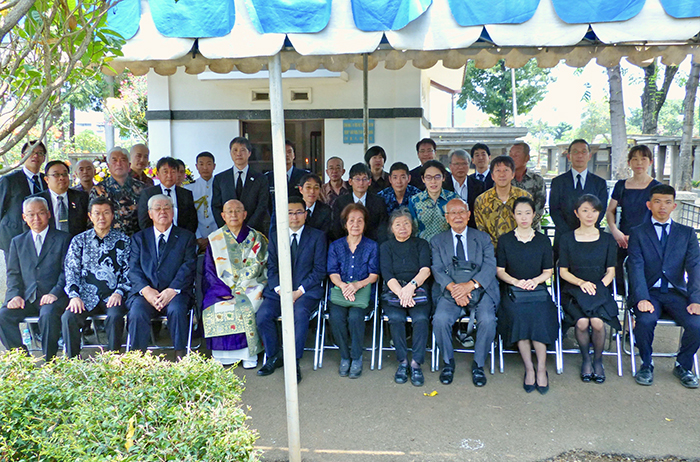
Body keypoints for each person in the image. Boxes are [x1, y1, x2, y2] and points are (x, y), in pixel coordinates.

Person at [628, 185, 700, 388]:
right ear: (649, 205)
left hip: (676, 292)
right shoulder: (638, 233)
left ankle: (683, 365)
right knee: (644, 321)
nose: (662, 206)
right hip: (649, 292)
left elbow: (695, 268)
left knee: (697, 324)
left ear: (674, 206)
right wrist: (641, 297)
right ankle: (646, 363)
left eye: (668, 202)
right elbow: (635, 268)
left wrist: (696, 300)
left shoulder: (687, 234)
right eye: (658, 201)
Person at [257, 196, 327, 383]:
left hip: (306, 291)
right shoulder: (276, 235)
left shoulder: (318, 236)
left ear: (305, 214)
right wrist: (281, 290)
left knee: (299, 314)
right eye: (289, 213)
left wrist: (299, 291)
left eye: (298, 212)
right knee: (263, 315)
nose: (294, 217)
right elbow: (271, 268)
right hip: (279, 291)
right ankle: (273, 356)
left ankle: (293, 361)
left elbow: (320, 270)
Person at [431, 198, 498, 387]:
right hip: (450, 292)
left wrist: (470, 286)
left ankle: (478, 365)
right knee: (440, 320)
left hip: (480, 289)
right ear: (446, 218)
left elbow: (490, 266)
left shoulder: (483, 238)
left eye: (461, 212)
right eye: (453, 213)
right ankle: (448, 363)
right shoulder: (437, 241)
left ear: (469, 215)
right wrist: (455, 290)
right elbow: (436, 268)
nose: (457, 216)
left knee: (488, 320)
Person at [496, 197, 557, 394]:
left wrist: (535, 281)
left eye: (527, 213)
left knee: (540, 315)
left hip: (537, 289)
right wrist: (516, 282)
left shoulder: (543, 240)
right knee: (519, 314)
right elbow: (500, 270)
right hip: (513, 290)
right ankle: (529, 369)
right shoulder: (505, 240)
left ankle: (541, 368)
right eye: (519, 213)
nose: (523, 217)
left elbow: (548, 271)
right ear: (513, 215)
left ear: (534, 215)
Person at [0, 197, 71, 360]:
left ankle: (49, 360)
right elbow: (13, 274)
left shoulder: (63, 239)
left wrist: (54, 293)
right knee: (3, 316)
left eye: (40, 213)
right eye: (30, 215)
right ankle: (23, 359)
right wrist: (15, 295)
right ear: (24, 217)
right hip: (27, 297)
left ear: (48, 214)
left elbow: (66, 272)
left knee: (48, 314)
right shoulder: (17, 242)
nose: (36, 219)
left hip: (54, 297)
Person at [127, 194, 197, 358]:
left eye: (167, 208)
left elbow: (189, 266)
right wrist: (146, 290)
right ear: (150, 214)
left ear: (173, 212)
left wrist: (172, 289)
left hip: (176, 292)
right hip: (147, 292)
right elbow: (133, 268)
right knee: (137, 311)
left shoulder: (186, 237)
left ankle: (181, 356)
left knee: (177, 309)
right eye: (157, 208)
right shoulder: (139, 238)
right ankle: (137, 358)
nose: (162, 212)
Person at [558, 194, 618, 384]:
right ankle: (585, 359)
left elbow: (610, 272)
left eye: (594, 210)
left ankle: (598, 361)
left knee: (598, 323)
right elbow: (563, 272)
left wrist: (598, 288)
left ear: (599, 213)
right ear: (577, 213)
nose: (589, 215)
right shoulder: (567, 239)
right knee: (583, 322)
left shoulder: (608, 240)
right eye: (585, 210)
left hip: (600, 290)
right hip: (574, 290)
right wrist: (581, 284)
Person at [61, 197, 130, 358]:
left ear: (113, 215)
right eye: (97, 213)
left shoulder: (124, 240)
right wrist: (74, 296)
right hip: (85, 296)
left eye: (106, 213)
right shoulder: (79, 241)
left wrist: (119, 292)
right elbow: (71, 271)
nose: (101, 217)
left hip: (113, 295)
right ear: (90, 216)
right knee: (68, 317)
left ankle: (113, 360)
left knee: (115, 316)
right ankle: (72, 361)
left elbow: (129, 271)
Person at [202, 199, 268, 368]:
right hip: (221, 287)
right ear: (223, 216)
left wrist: (241, 286)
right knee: (216, 306)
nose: (233, 214)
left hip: (251, 285)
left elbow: (258, 263)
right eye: (229, 211)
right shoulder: (215, 239)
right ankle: (222, 355)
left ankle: (248, 355)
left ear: (245, 214)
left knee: (247, 305)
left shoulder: (256, 237)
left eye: (238, 211)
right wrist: (222, 289)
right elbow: (209, 269)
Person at [379, 208, 431, 386]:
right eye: (398, 224)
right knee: (395, 318)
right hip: (395, 290)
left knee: (421, 318)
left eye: (406, 223)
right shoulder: (386, 247)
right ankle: (402, 362)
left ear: (413, 226)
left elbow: (425, 269)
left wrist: (410, 288)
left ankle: (416, 363)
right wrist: (401, 293)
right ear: (391, 228)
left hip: (417, 288)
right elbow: (386, 273)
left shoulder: (421, 244)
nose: (402, 227)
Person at [327, 203, 379, 378]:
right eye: (351, 220)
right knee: (336, 316)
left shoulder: (372, 246)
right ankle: (345, 357)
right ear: (345, 224)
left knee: (356, 317)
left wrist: (357, 285)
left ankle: (356, 357)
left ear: (365, 224)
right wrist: (343, 286)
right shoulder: (335, 246)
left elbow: (374, 275)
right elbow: (332, 272)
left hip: (363, 293)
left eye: (360, 220)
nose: (355, 224)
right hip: (341, 291)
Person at [605, 145, 661, 293]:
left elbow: (660, 216)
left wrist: (637, 237)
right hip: (621, 239)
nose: (639, 163)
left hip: (646, 240)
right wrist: (615, 231)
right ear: (629, 163)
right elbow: (610, 211)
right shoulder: (621, 185)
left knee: (642, 280)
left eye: (643, 159)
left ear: (650, 162)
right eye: (634, 159)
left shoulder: (657, 188)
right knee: (619, 279)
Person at [549, 139, 608, 259]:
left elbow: (601, 210)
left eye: (583, 151)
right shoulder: (558, 182)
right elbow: (554, 210)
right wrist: (570, 235)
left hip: (591, 236)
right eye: (575, 152)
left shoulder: (599, 183)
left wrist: (585, 230)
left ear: (589, 156)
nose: (580, 155)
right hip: (564, 237)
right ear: (569, 156)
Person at [211, 136, 269, 234]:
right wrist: (228, 227)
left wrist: (247, 229)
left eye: (242, 150)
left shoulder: (260, 178)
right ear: (230, 153)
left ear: (249, 153)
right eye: (235, 150)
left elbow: (262, 206)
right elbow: (216, 206)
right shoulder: (220, 178)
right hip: (227, 232)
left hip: (253, 232)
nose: (238, 153)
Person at [474, 155, 532, 249]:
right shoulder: (481, 200)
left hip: (521, 249)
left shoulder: (524, 197)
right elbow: (481, 230)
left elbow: (530, 224)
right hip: (492, 252)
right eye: (498, 171)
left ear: (513, 174)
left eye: (506, 170)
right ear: (492, 176)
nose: (502, 174)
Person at [0, 140, 47, 254]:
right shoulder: (8, 180)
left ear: (44, 158)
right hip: (14, 238)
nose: (35, 156)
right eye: (30, 152)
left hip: (43, 239)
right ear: (22, 156)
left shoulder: (47, 180)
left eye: (40, 153)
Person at [90, 146, 144, 236]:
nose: (119, 164)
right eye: (114, 160)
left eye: (123, 160)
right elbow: (92, 220)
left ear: (129, 165)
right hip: (108, 242)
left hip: (136, 241)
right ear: (108, 165)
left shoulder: (141, 188)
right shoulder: (98, 189)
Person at [138, 157, 198, 234]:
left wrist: (184, 238)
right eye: (165, 172)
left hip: (181, 240)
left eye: (173, 172)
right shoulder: (148, 194)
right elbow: (143, 221)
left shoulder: (186, 194)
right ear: (158, 174)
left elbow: (192, 221)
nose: (169, 175)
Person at [29, 160, 89, 238]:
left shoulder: (81, 197)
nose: (61, 178)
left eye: (64, 174)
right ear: (47, 179)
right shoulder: (35, 201)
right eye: (56, 175)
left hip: (76, 244)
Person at [331, 163, 388, 242]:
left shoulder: (379, 202)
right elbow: (337, 230)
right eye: (357, 179)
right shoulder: (340, 203)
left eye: (364, 179)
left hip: (373, 245)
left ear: (369, 181)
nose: (361, 183)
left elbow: (382, 229)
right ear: (350, 181)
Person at [408, 160, 458, 243]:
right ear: (423, 179)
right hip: (422, 250)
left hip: (447, 249)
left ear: (443, 178)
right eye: (428, 177)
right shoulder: (415, 201)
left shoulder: (454, 199)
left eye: (437, 177)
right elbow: (411, 230)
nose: (433, 181)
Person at [184, 151, 218, 252]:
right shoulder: (189, 188)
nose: (205, 168)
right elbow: (188, 215)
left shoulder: (220, 185)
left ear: (214, 166)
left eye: (208, 164)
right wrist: (198, 237)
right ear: (196, 166)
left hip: (218, 236)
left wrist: (214, 237)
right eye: (201, 164)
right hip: (196, 237)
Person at [443, 149, 484, 228]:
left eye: (464, 164)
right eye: (457, 164)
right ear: (450, 166)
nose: (460, 167)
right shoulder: (443, 185)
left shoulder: (479, 185)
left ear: (469, 165)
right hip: (448, 230)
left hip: (472, 229)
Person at [509, 142, 545, 231]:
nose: (513, 158)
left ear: (527, 158)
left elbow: (539, 208)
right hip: (509, 231)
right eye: (511, 155)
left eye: (516, 155)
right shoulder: (504, 180)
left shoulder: (537, 180)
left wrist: (524, 228)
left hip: (532, 231)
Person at [265, 140, 308, 212]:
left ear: (294, 155)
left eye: (289, 152)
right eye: (283, 152)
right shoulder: (268, 177)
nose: (286, 155)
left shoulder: (304, 176)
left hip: (297, 217)